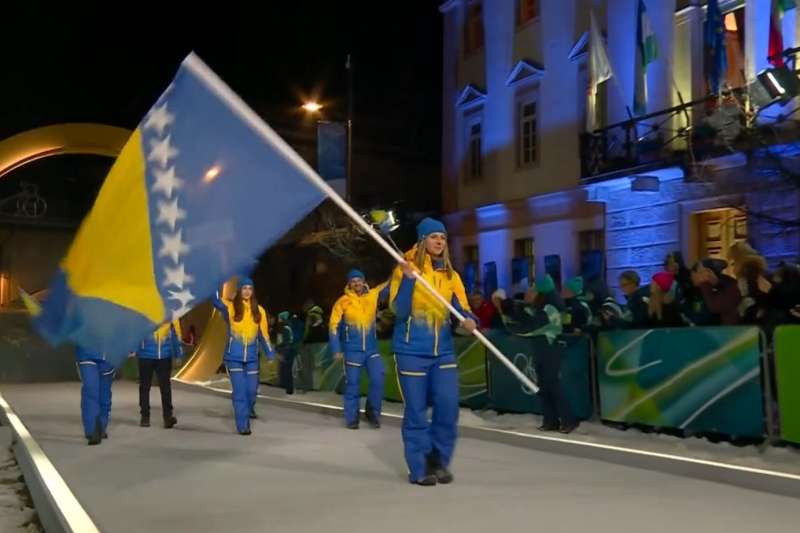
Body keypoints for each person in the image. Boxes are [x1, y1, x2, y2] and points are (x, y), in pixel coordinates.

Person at [390, 218, 478, 486]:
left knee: (448, 407)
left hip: (444, 353)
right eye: (433, 236)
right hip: (411, 351)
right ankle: (419, 467)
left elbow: (461, 309)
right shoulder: (405, 269)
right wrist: (407, 280)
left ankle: (438, 460)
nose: (440, 241)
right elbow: (399, 310)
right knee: (416, 411)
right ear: (422, 241)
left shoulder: (451, 276)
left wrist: (469, 320)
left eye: (442, 237)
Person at [498, 275, 578, 434]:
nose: (529, 293)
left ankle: (568, 420)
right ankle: (551, 421)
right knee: (544, 386)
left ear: (540, 292)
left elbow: (531, 326)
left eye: (532, 290)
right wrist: (509, 309)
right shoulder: (542, 307)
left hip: (550, 348)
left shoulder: (550, 308)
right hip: (543, 349)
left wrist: (511, 320)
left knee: (552, 385)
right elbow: (527, 318)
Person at [212, 277, 274, 435]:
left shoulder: (259, 311)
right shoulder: (230, 308)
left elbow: (263, 334)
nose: (247, 291)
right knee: (240, 393)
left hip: (252, 358)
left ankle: (249, 408)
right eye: (244, 288)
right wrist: (213, 280)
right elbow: (216, 301)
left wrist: (270, 353)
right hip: (234, 358)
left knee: (251, 392)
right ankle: (243, 425)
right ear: (239, 291)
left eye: (250, 288)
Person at [329, 269, 390, 429]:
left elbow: (390, 283)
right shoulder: (342, 301)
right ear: (349, 283)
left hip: (371, 350)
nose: (356, 283)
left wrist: (403, 266)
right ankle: (352, 418)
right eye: (353, 280)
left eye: (359, 280)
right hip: (352, 350)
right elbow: (333, 326)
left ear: (364, 281)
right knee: (353, 384)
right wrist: (336, 348)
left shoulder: (373, 294)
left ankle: (372, 412)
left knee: (379, 377)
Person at [135, 320, 182, 428]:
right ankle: (147, 417)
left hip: (161, 356)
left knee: (162, 387)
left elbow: (173, 335)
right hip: (148, 355)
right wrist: (134, 350)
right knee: (147, 387)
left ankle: (164, 417)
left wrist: (178, 354)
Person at [76, 346, 115, 446]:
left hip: (109, 357)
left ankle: (101, 427)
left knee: (105, 395)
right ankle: (92, 430)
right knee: (90, 389)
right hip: (86, 355)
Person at [276, 311, 296, 395]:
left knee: (285, 369)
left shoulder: (283, 328)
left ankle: (286, 387)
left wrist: (279, 351)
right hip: (290, 349)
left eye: (279, 318)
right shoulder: (289, 327)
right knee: (288, 370)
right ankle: (289, 388)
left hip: (285, 349)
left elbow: (281, 341)